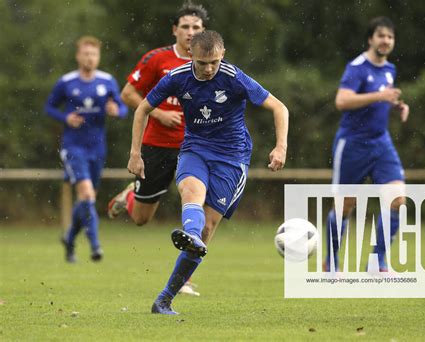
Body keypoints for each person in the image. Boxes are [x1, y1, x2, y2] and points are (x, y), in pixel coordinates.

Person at [127, 30, 289, 314]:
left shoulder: (234, 77)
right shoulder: (177, 78)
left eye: (214, 61)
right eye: (202, 63)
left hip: (232, 158)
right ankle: (189, 235)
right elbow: (142, 109)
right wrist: (135, 154)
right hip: (195, 149)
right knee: (191, 193)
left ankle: (165, 298)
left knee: (208, 227)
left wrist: (280, 147)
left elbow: (279, 107)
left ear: (222, 55)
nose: (209, 68)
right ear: (192, 55)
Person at [107, 1, 208, 296]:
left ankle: (185, 276)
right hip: (157, 146)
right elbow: (128, 93)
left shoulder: (211, 60)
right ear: (175, 30)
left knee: (194, 202)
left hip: (195, 148)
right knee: (141, 219)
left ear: (204, 31)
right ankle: (130, 197)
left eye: (196, 28)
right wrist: (159, 114)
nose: (191, 32)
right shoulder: (157, 59)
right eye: (186, 27)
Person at [325, 17, 409, 273]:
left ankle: (377, 261)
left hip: (381, 143)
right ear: (371, 39)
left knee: (398, 201)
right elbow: (342, 101)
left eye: (390, 37)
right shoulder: (357, 67)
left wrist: (397, 105)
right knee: (345, 206)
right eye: (381, 35)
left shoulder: (389, 69)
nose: (386, 40)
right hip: (353, 144)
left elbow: (381, 98)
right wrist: (381, 96)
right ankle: (331, 263)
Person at [45, 36, 128, 263]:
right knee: (87, 195)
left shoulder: (107, 81)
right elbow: (49, 107)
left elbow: (122, 108)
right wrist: (66, 117)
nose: (89, 58)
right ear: (78, 56)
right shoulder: (67, 82)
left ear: (98, 57)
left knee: (86, 201)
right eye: (85, 54)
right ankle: (95, 246)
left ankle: (69, 239)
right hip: (73, 147)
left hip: (98, 148)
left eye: (93, 54)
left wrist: (116, 110)